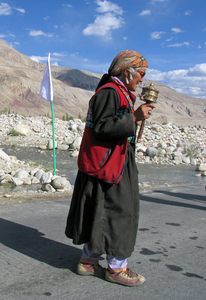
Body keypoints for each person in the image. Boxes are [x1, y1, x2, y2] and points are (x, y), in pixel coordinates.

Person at [65, 50, 156, 286]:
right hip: (110, 164)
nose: (142, 80)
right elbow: (103, 129)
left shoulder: (121, 92)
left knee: (99, 210)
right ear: (128, 72)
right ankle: (117, 269)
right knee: (120, 213)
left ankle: (88, 262)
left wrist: (135, 116)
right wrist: (134, 117)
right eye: (141, 74)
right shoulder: (110, 93)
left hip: (110, 163)